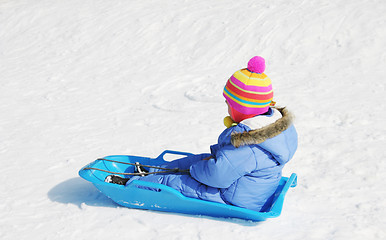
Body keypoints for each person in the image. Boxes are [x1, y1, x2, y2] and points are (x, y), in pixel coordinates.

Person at [105, 56, 298, 212]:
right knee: (196, 160)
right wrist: (198, 165)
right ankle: (152, 171)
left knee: (176, 182)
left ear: (243, 108)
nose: (227, 108)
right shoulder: (269, 128)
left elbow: (217, 176)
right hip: (245, 186)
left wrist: (194, 171)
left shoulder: (250, 146)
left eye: (229, 104)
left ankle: (132, 186)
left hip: (232, 197)